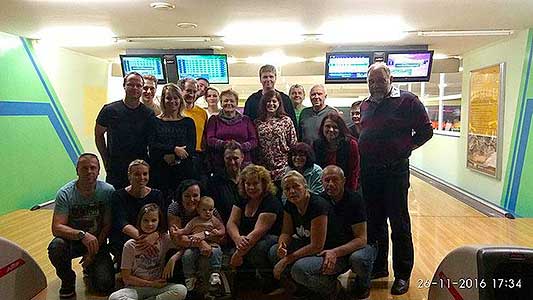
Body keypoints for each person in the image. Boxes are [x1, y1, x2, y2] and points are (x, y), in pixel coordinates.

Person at [359, 62, 433, 295]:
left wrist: (406, 148)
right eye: (371, 81)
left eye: (379, 80)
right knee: (375, 223)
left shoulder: (408, 101)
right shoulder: (366, 104)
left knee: (399, 224)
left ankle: (402, 274)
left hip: (395, 171)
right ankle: (379, 266)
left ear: (390, 79)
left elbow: (426, 131)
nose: (375, 85)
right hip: (370, 172)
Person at [47, 153, 115, 298]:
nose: (89, 171)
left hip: (97, 243)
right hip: (72, 242)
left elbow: (107, 225)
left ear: (98, 170)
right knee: (56, 246)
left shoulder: (108, 191)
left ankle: (90, 267)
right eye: (84, 168)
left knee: (105, 286)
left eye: (93, 168)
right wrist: (82, 235)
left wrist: (93, 251)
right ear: (77, 170)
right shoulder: (65, 193)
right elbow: (57, 228)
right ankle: (67, 279)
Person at [268, 171, 340, 300]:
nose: (292, 191)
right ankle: (304, 287)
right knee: (274, 252)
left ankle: (331, 288)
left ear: (305, 186)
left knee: (299, 268)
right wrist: (282, 246)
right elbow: (286, 232)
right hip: (307, 245)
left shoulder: (318, 205)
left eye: (296, 186)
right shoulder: (290, 204)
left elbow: (317, 246)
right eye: (287, 188)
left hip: (329, 251)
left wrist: (286, 259)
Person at [109, 203, 187, 300]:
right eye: (145, 220)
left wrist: (173, 258)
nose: (149, 224)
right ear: (140, 221)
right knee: (114, 297)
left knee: (181, 290)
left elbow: (184, 247)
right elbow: (126, 277)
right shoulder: (130, 245)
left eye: (153, 220)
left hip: (158, 287)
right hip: (136, 288)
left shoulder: (164, 239)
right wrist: (150, 284)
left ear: (159, 221)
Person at [320, 165, 376, 299]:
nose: (330, 184)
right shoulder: (320, 200)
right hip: (338, 246)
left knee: (358, 259)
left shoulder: (355, 200)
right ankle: (333, 286)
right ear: (321, 181)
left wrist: (335, 252)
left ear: (344, 180)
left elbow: (361, 239)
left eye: (335, 180)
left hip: (362, 245)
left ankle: (363, 283)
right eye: (327, 180)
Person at [226, 164, 283, 292]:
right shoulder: (242, 198)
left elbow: (258, 231)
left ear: (264, 184)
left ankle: (272, 283)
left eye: (255, 183)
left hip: (270, 238)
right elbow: (231, 223)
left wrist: (238, 253)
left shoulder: (271, 201)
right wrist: (237, 239)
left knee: (257, 249)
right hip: (246, 238)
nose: (251, 187)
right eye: (248, 184)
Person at [95, 72, 155, 189]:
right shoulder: (109, 110)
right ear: (124, 86)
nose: (135, 88)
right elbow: (98, 135)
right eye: (131, 85)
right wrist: (106, 160)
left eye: (138, 85)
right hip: (116, 168)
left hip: (140, 170)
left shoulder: (148, 114)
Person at [110, 160, 168, 266]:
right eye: (136, 174)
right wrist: (144, 241)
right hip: (128, 238)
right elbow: (121, 222)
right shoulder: (118, 196)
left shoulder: (157, 195)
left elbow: (163, 221)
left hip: (153, 237)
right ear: (129, 176)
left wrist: (153, 236)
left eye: (145, 174)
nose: (141, 178)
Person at [148, 83, 196, 197]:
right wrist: (174, 149)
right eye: (168, 98)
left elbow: (191, 147)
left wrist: (175, 156)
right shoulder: (154, 122)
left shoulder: (188, 122)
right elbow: (152, 145)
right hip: (160, 170)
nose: (172, 101)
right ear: (163, 100)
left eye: (176, 98)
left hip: (184, 171)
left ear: (180, 100)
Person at [179, 196, 225, 291]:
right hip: (195, 245)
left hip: (212, 243)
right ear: (198, 210)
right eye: (204, 210)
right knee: (187, 255)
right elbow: (185, 230)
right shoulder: (194, 221)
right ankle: (189, 277)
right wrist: (178, 231)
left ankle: (215, 273)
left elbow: (223, 229)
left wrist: (218, 232)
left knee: (217, 252)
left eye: (210, 209)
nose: (208, 212)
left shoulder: (214, 220)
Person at [206, 89, 257, 172]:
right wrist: (226, 145)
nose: (229, 103)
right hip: (221, 164)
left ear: (236, 103)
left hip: (244, 165)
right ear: (221, 103)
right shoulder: (214, 120)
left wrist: (240, 147)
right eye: (225, 101)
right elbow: (210, 139)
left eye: (232, 101)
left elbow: (254, 140)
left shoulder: (246, 120)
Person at [255, 90, 298, 184]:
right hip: (264, 169)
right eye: (268, 101)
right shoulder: (258, 123)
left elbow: (293, 143)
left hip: (284, 167)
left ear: (279, 103)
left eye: (274, 101)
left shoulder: (286, 121)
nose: (271, 104)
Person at [314, 112, 360, 191]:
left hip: (345, 188)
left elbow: (354, 171)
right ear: (322, 128)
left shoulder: (351, 144)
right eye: (327, 126)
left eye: (335, 127)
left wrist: (350, 192)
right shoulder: (317, 144)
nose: (331, 130)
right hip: (323, 189)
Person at [205, 141, 245, 224]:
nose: (232, 162)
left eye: (235, 158)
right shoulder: (214, 182)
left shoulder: (249, 179)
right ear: (223, 158)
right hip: (222, 226)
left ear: (242, 157)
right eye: (228, 158)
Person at [180, 78, 208, 153]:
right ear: (181, 91)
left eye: (194, 91)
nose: (191, 94)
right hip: (180, 155)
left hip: (198, 156)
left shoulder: (202, 113)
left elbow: (204, 137)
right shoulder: (175, 112)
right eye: (188, 91)